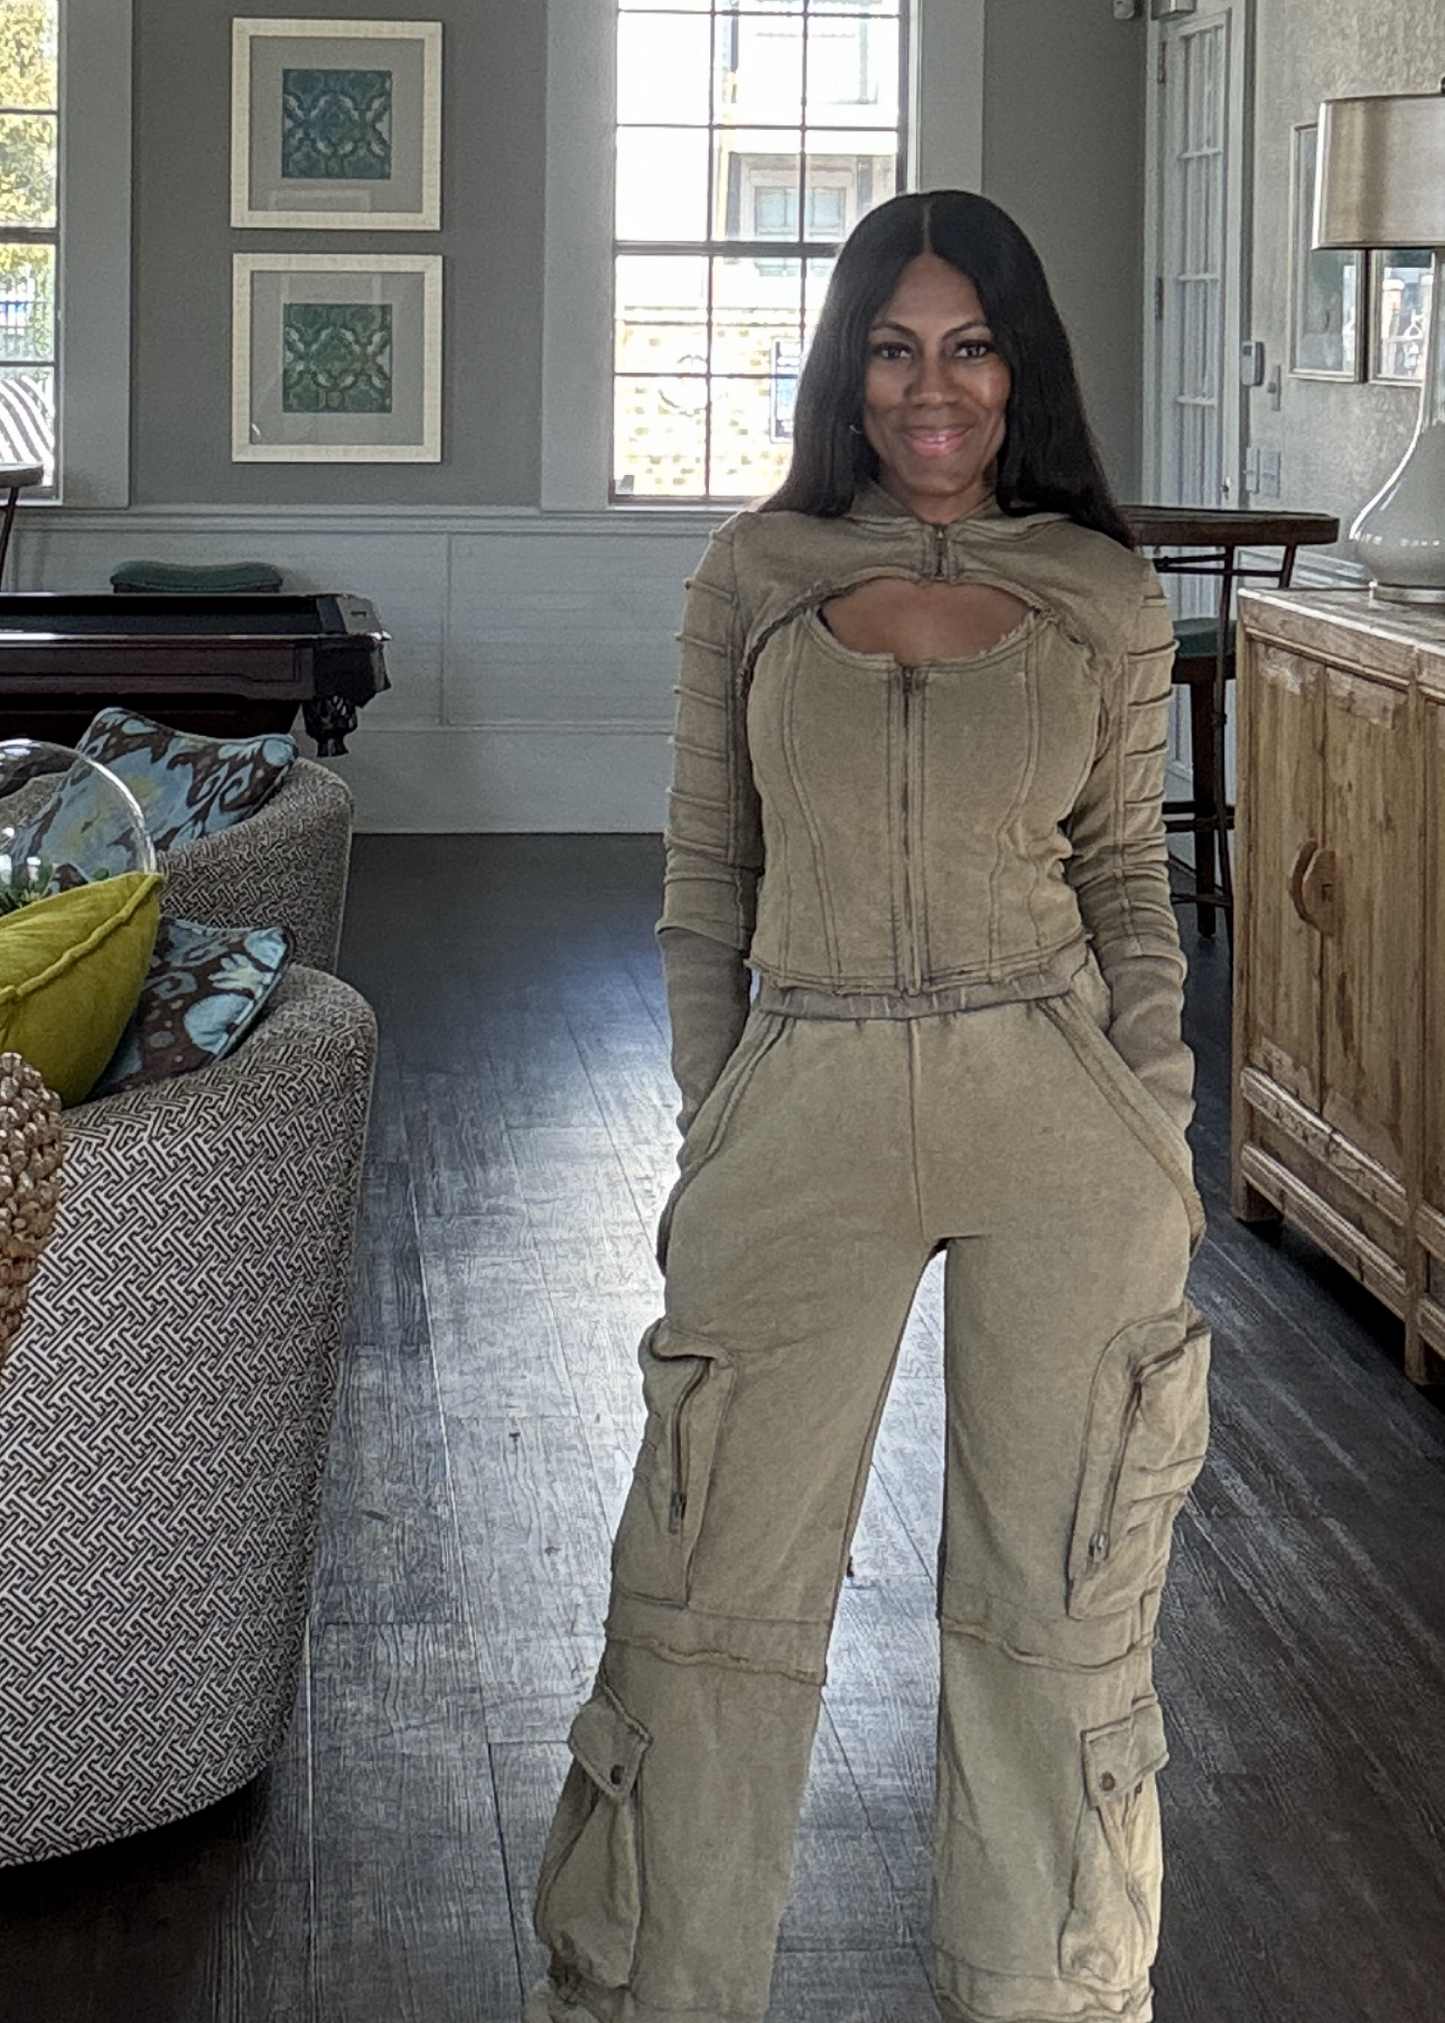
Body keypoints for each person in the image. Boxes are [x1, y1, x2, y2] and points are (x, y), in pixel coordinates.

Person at [527, 188, 1210, 2023]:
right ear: (847, 369)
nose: (934, 388)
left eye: (971, 346)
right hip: (807, 1091)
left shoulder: (1099, 588)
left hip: (1053, 1103)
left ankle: (1046, 1997)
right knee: (703, 1600)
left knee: (1059, 1611)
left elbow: (1126, 879)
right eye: (896, 348)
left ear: (1019, 368)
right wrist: (723, 1111)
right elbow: (705, 876)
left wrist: (1152, 1113)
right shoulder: (754, 576)